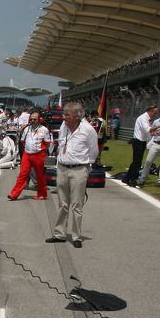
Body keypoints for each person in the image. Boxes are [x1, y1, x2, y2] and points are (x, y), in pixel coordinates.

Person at [46, 102, 98, 248]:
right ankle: (60, 233)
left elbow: (93, 152)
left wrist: (86, 169)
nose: (63, 117)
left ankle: (76, 236)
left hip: (79, 169)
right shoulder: (64, 127)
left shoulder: (88, 130)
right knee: (62, 203)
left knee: (76, 204)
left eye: (67, 115)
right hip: (62, 168)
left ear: (77, 116)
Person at [9, 111, 52, 200]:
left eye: (34, 119)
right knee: (22, 174)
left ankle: (42, 194)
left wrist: (40, 151)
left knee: (40, 176)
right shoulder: (27, 129)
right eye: (31, 119)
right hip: (27, 154)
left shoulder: (44, 130)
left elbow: (47, 143)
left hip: (39, 155)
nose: (32, 121)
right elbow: (22, 141)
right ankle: (14, 194)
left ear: (39, 120)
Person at [138, 109, 160, 187]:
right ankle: (142, 178)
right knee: (148, 161)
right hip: (155, 143)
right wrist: (154, 133)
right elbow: (151, 131)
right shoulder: (156, 121)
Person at [123, 105, 158, 186]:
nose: (155, 115)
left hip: (142, 141)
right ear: (150, 111)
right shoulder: (143, 118)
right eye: (154, 113)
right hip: (138, 141)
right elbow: (147, 129)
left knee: (136, 161)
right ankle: (133, 179)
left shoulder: (147, 119)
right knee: (137, 162)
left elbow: (147, 132)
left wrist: (152, 134)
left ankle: (127, 178)